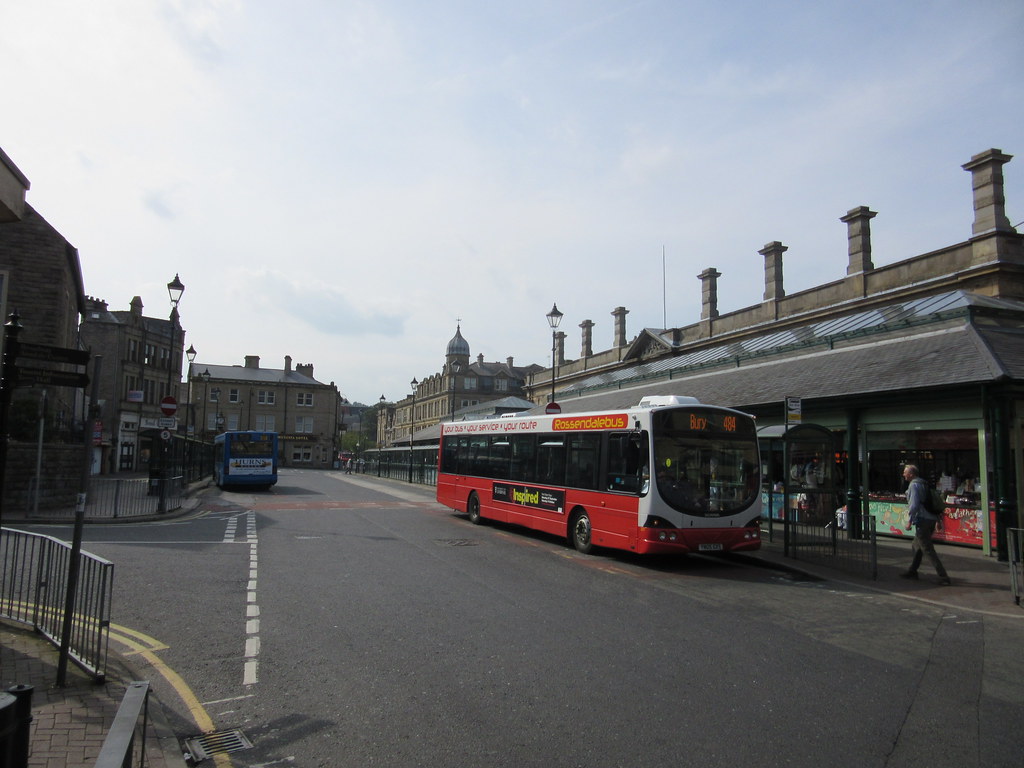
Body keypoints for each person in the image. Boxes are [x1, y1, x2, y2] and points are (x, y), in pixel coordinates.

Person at [900, 464, 951, 585]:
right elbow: (932, 502)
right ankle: (913, 571)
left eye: (905, 472)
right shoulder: (924, 483)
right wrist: (938, 520)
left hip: (922, 520)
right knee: (917, 545)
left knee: (927, 549)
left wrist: (910, 521)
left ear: (911, 474)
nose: (903, 474)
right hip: (931, 519)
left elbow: (914, 505)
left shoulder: (914, 485)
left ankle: (943, 577)